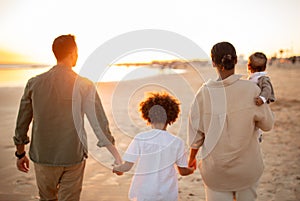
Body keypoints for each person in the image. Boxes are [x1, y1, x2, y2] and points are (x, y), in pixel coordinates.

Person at [13, 34, 122, 201]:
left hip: (42, 156)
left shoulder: (34, 83)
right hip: (73, 156)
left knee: (47, 198)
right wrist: (116, 156)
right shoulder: (84, 84)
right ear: (73, 53)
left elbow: (22, 123)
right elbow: (99, 123)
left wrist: (20, 154)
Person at [188, 42, 274, 201]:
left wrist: (191, 159)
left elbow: (196, 137)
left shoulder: (203, 93)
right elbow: (267, 125)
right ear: (235, 60)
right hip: (247, 169)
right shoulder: (252, 90)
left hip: (216, 172)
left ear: (213, 62)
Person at [113, 92, 194, 201]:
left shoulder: (140, 138)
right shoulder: (177, 142)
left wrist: (117, 168)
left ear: (147, 115)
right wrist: (192, 169)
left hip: (144, 193)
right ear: (172, 117)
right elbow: (183, 171)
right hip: (167, 195)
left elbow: (126, 167)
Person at [247, 52, 275, 142]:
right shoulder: (251, 78)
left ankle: (258, 136)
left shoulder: (263, 78)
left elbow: (267, 89)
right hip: (252, 105)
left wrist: (262, 98)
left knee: (258, 122)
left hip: (259, 104)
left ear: (248, 66)